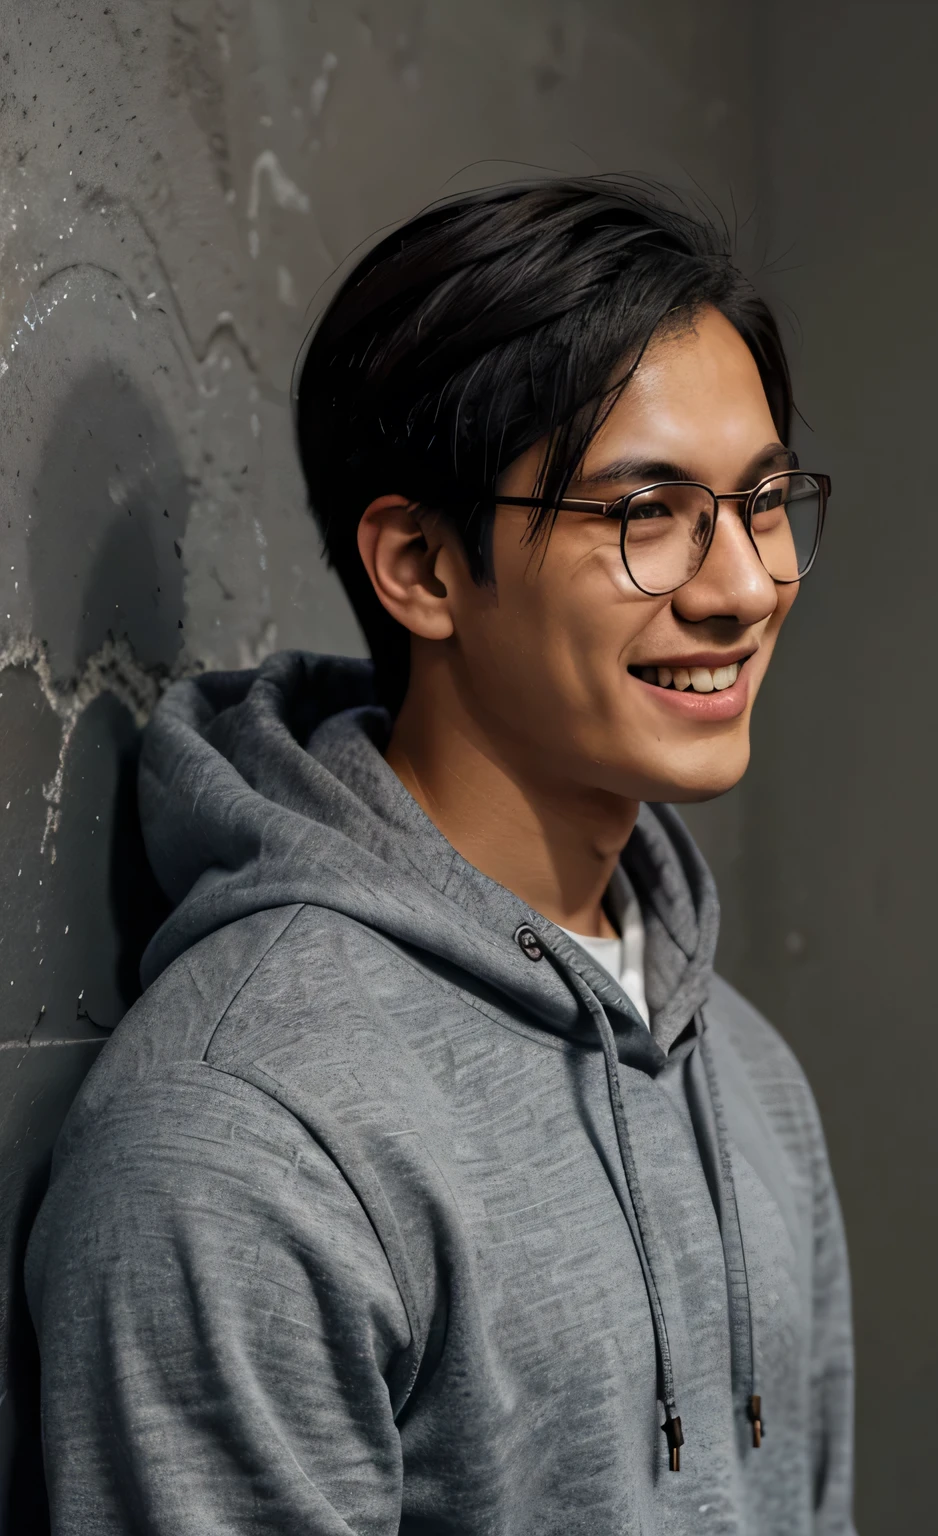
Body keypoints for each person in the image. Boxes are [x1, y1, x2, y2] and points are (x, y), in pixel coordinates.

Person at [27, 177, 855, 1534]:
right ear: (419, 564)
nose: (746, 586)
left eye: (764, 502)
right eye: (648, 514)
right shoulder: (246, 1135)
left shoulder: (750, 1084)